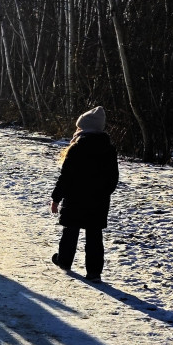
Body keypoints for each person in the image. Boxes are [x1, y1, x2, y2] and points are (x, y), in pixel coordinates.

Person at [49, 105, 119, 282]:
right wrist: (103, 192)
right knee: (95, 236)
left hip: (75, 199)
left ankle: (64, 261)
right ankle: (94, 272)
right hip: (98, 201)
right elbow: (113, 179)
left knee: (70, 231)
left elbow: (66, 177)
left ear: (85, 128)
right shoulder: (109, 150)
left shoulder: (76, 148)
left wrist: (56, 198)